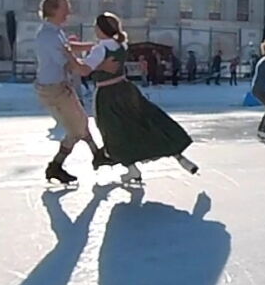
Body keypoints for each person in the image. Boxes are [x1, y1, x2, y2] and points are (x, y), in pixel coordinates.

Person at [82, 12, 198, 185]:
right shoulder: (121, 45)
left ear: (100, 29)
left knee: (113, 131)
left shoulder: (99, 49)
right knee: (147, 121)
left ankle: (131, 167)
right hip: (126, 89)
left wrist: (68, 55)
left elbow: (83, 69)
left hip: (107, 93)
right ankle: (178, 156)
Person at [32, 0, 111, 185]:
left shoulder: (55, 31)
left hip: (59, 87)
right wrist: (100, 63)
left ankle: (97, 155)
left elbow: (69, 47)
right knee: (76, 129)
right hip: (53, 90)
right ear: (53, 10)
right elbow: (70, 64)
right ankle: (57, 166)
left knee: (81, 122)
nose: (69, 11)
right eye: (65, 7)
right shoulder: (48, 36)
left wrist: (96, 47)